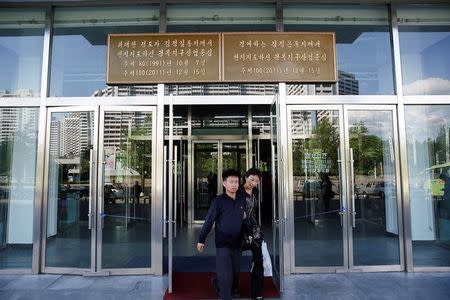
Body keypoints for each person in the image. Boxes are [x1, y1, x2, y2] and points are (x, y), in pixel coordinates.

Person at [197, 169, 247, 300]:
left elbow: (244, 220)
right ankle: (224, 293)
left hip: (237, 243)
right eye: (231, 182)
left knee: (235, 271)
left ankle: (217, 282)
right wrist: (201, 239)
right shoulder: (218, 201)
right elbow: (209, 221)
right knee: (226, 275)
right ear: (224, 183)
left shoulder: (242, 200)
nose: (234, 184)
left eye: (236, 182)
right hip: (222, 243)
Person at [239, 168, 264, 300]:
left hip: (254, 232)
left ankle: (257, 293)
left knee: (258, 261)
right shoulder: (238, 192)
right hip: (239, 231)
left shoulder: (255, 192)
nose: (254, 183)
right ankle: (223, 284)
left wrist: (257, 229)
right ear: (245, 178)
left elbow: (253, 213)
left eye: (256, 181)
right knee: (233, 262)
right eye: (251, 180)